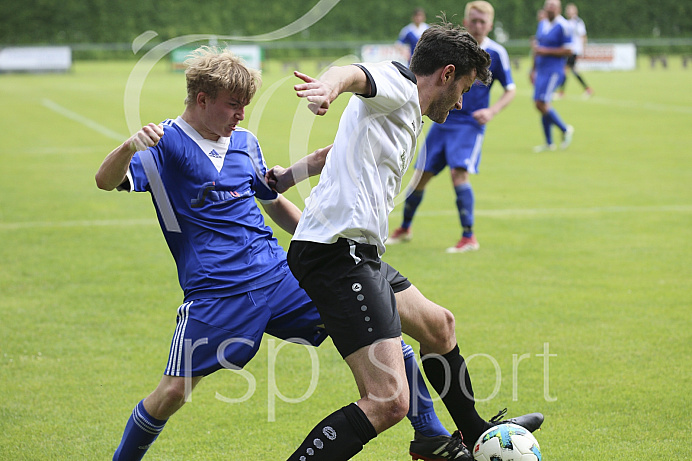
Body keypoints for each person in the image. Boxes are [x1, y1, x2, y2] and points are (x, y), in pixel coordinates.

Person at [95, 46, 468, 461]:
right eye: (232, 105)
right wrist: (129, 147)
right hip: (218, 292)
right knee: (172, 393)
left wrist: (311, 200)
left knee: (384, 326)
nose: (240, 115)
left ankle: (431, 437)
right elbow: (106, 180)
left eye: (244, 106)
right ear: (202, 100)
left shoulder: (245, 143)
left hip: (278, 275)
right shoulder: (166, 143)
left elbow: (271, 202)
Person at [276, 19, 543, 461]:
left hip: (356, 252)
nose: (460, 103)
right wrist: (327, 86)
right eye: (464, 89)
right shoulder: (398, 84)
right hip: (335, 256)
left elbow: (332, 151)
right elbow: (355, 75)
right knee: (388, 401)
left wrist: (284, 178)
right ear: (446, 74)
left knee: (440, 325)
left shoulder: (402, 111)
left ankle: (476, 437)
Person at [389, 1, 516, 253]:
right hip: (443, 120)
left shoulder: (497, 54)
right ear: (467, 22)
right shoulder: (455, 50)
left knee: (458, 173)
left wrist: (492, 111)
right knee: (420, 175)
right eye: (474, 21)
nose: (478, 26)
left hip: (469, 124)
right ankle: (405, 227)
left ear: (490, 25)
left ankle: (469, 236)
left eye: (483, 22)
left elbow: (510, 89)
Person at [531, 0, 575, 152]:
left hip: (554, 71)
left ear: (558, 9)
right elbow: (537, 48)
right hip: (541, 70)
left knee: (541, 103)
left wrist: (546, 51)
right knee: (541, 103)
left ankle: (565, 129)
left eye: (553, 7)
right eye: (547, 6)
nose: (550, 9)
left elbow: (569, 50)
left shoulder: (564, 26)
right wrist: (533, 69)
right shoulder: (542, 24)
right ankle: (549, 143)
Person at [557, 2, 592, 98]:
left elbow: (583, 36)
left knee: (565, 70)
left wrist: (583, 49)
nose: (567, 11)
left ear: (575, 11)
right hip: (569, 50)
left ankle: (561, 92)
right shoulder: (567, 22)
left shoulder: (578, 22)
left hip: (574, 50)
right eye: (567, 10)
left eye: (570, 10)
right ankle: (587, 89)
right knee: (573, 71)